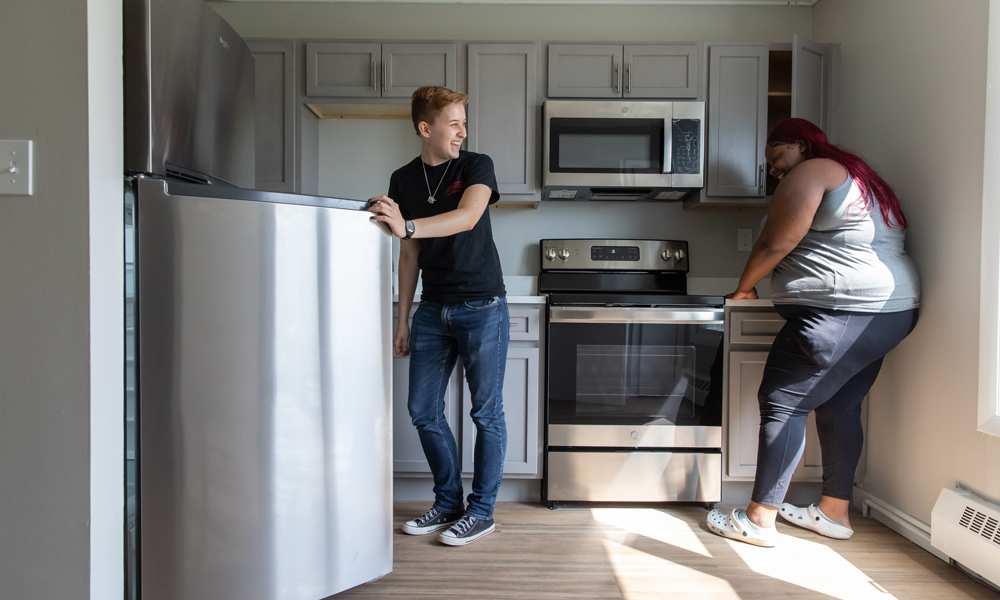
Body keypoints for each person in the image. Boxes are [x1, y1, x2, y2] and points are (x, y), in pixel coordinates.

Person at [706, 118, 920, 547]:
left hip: (840, 312)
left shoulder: (813, 171)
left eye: (776, 157)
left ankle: (759, 519)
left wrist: (744, 288)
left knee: (782, 403)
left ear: (801, 145)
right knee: (841, 407)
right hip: (890, 312)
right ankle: (833, 513)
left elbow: (776, 242)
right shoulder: (859, 176)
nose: (773, 171)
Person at [368, 86, 508, 547]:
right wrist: (403, 318)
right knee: (422, 410)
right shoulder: (403, 178)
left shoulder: (475, 165)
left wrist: (406, 224)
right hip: (432, 308)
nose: (462, 130)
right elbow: (409, 254)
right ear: (425, 128)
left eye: (464, 121)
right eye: (454, 122)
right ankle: (448, 502)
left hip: (482, 305)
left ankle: (482, 511)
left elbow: (468, 216)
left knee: (486, 413)